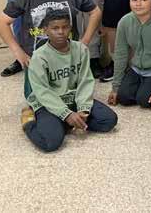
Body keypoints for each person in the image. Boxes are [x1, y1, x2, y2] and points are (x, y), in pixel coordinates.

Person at [0, 0, 101, 107]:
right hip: (37, 59)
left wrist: (85, 41)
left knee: (70, 99)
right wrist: (18, 51)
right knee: (36, 101)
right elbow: (1, 22)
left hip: (67, 58)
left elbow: (95, 12)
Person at [22, 9, 117, 152]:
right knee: (51, 143)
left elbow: (85, 81)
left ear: (70, 28)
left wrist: (83, 108)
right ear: (45, 30)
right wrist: (65, 114)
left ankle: (66, 123)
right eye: (55, 28)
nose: (61, 32)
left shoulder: (81, 50)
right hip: (48, 104)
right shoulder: (39, 57)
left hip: (74, 100)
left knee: (109, 120)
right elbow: (42, 92)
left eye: (65, 27)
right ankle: (29, 123)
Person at [106, 0, 151, 110]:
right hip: (136, 68)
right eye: (134, 0)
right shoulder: (125, 21)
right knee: (123, 98)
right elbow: (121, 54)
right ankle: (140, 86)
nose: (138, 4)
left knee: (144, 101)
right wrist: (115, 87)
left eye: (144, 0)